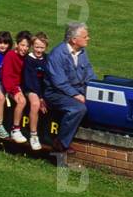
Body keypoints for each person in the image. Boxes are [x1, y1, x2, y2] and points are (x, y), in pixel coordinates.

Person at [44, 23, 95, 153]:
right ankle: (60, 142)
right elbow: (59, 82)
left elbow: (89, 74)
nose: (88, 38)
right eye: (85, 36)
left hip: (77, 90)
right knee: (77, 108)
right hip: (56, 93)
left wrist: (95, 89)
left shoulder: (82, 52)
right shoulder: (57, 54)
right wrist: (76, 95)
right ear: (74, 40)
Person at [0, 30, 31, 144]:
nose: (25, 48)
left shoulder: (28, 58)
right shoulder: (10, 55)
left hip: (23, 86)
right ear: (17, 44)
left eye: (27, 46)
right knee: (21, 101)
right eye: (22, 45)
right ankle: (15, 129)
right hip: (11, 86)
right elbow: (6, 77)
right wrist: (14, 91)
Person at [21, 32, 49, 152]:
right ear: (32, 46)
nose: (39, 50)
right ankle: (33, 135)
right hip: (30, 88)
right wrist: (40, 97)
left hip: (43, 89)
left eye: (42, 48)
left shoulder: (46, 59)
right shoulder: (29, 60)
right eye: (37, 47)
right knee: (35, 104)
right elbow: (31, 81)